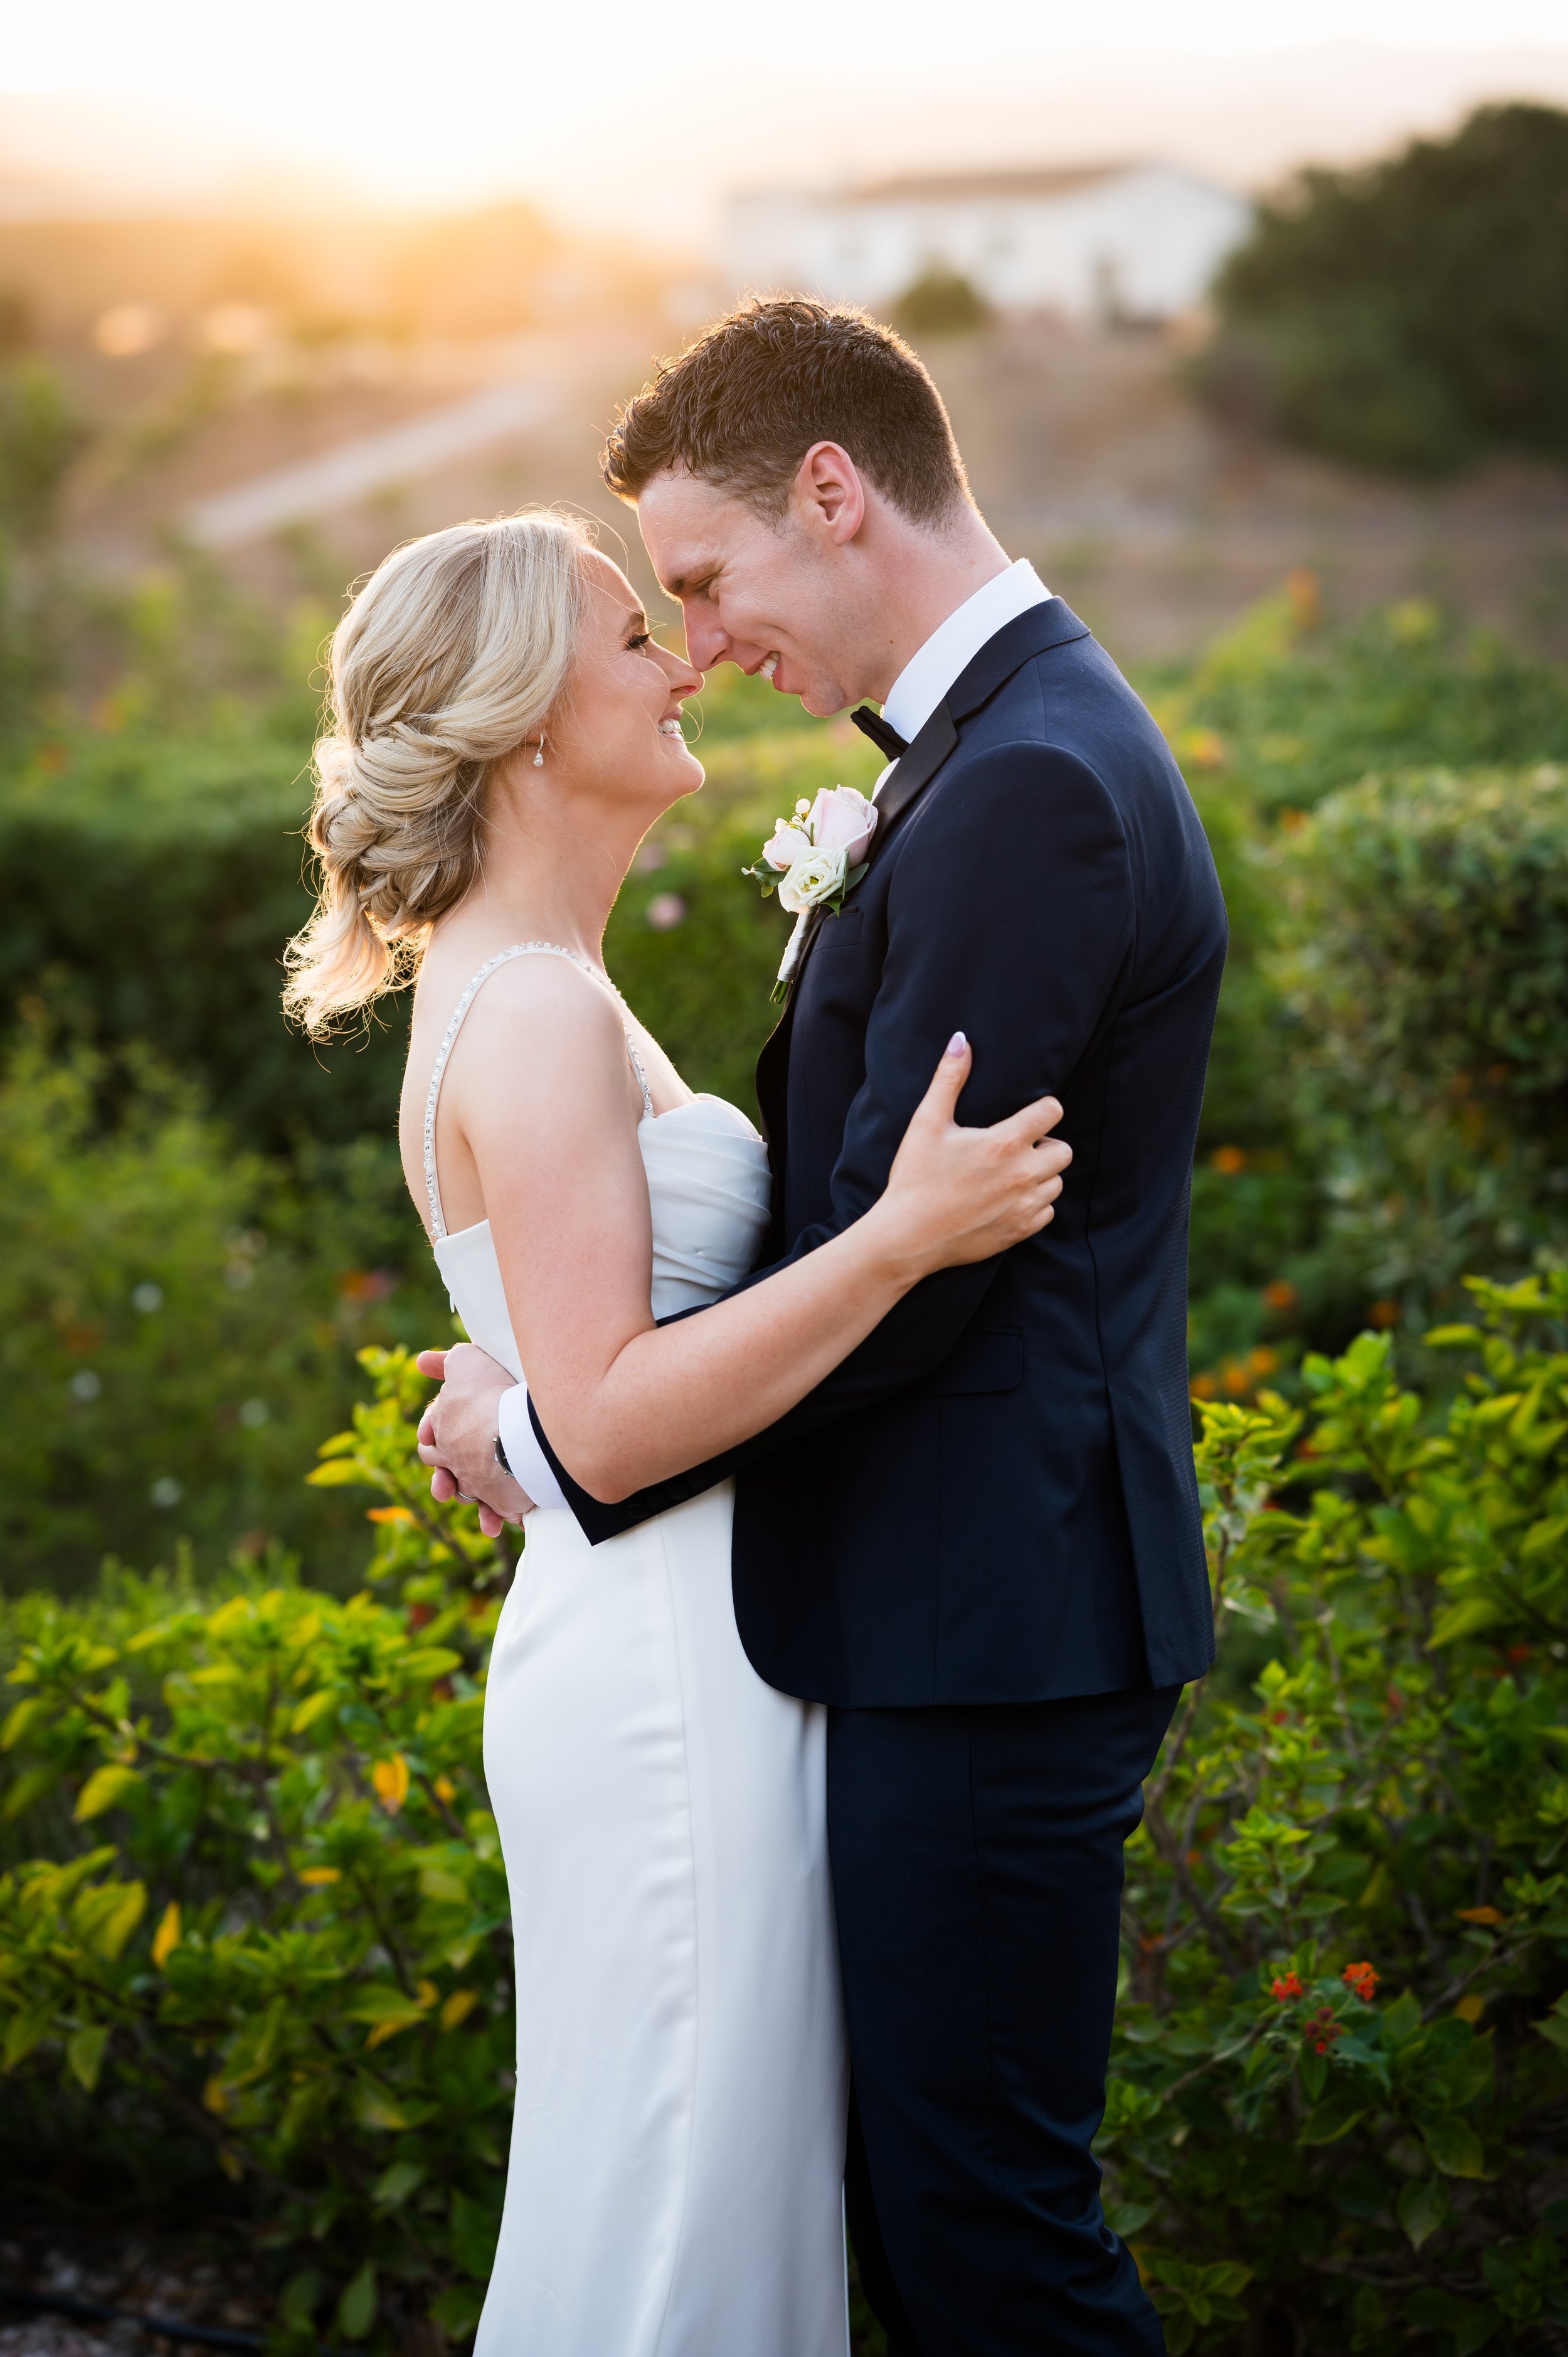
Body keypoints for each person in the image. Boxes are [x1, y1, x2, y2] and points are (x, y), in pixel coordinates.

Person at [426, 301, 1229, 2355]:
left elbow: (904, 1277)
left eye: (701, 579)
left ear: (833, 494)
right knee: (930, 2216)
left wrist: (551, 1440)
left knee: (986, 2236)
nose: (700, 639)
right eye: (653, 613)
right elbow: (873, 1235)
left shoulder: (1025, 787)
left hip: (987, 1618)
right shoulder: (985, 758)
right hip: (937, 1611)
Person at [282, 504, 1071, 2357]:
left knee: (696, 2201)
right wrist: (895, 1243)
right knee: (677, 2234)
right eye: (630, 631)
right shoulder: (535, 1010)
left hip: (689, 1644)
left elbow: (573, 1382)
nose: (683, 655)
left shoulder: (546, 988)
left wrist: (510, 1406)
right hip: (657, 1680)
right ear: (524, 716)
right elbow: (620, 1422)